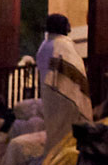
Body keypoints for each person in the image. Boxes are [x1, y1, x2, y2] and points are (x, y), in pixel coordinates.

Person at [35, 14, 92, 153]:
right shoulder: (63, 45)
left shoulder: (43, 46)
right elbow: (76, 73)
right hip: (65, 95)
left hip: (49, 96)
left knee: (53, 133)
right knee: (65, 136)